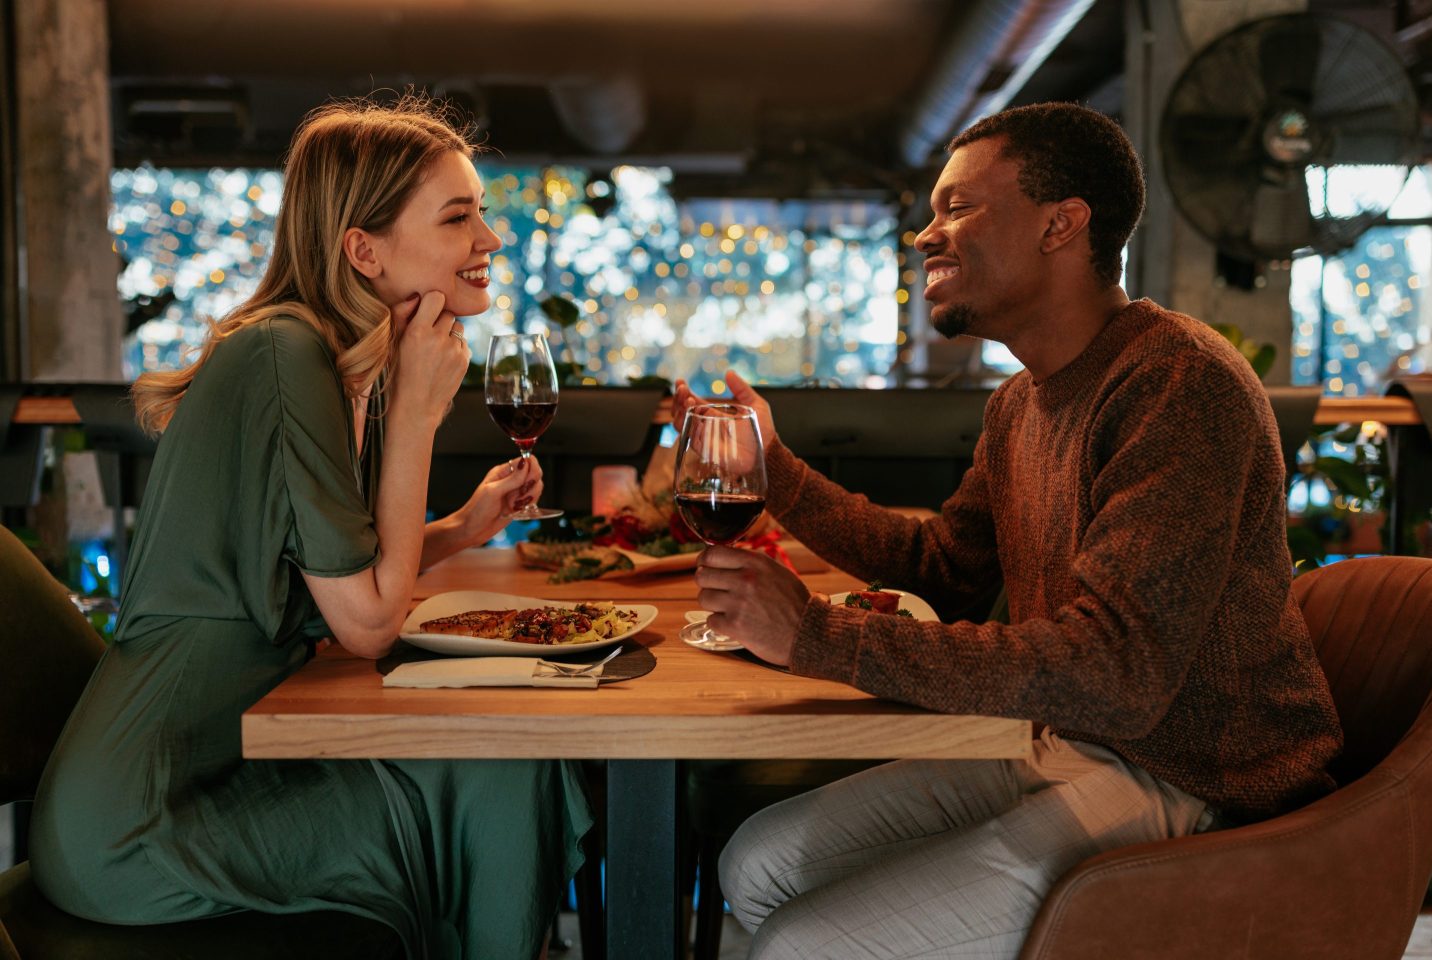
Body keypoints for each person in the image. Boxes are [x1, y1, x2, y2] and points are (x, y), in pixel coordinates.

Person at [672, 102, 1343, 959]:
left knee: (800, 945)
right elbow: (942, 567)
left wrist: (810, 634)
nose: (925, 236)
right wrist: (777, 474)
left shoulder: (1177, 382)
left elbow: (1117, 672)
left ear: (1061, 225)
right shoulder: (1020, 402)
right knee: (755, 866)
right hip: (1064, 741)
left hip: (1194, 779)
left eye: (957, 208)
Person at [30, 94, 591, 960]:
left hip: (212, 773)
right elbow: (366, 624)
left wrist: (458, 529)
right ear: (363, 249)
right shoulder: (283, 353)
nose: (492, 238)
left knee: (499, 758)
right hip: (141, 822)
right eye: (458, 215)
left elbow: (334, 579)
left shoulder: (328, 362)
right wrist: (415, 417)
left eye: (481, 211)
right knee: (498, 768)